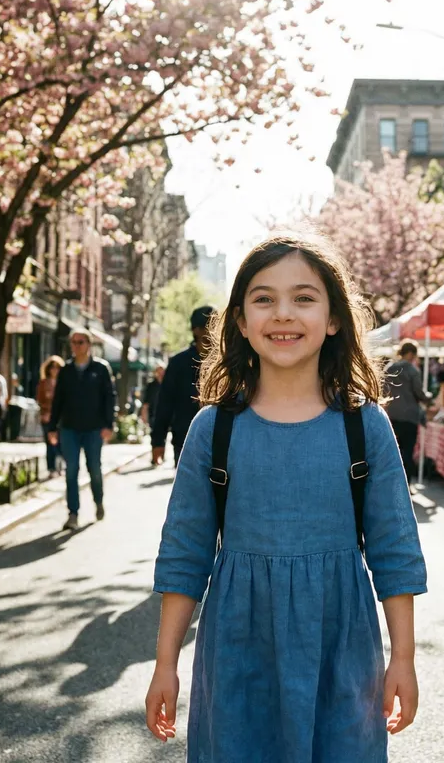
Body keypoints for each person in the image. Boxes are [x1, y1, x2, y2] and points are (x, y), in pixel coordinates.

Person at [145, 234, 427, 760]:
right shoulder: (213, 429)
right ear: (240, 320)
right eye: (263, 298)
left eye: (303, 297)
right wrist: (166, 663)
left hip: (341, 647)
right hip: (237, 649)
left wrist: (403, 657)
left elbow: (395, 550)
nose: (283, 314)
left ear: (334, 317)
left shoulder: (365, 426)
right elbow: (185, 551)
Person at [48, 329, 116, 531]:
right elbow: (57, 401)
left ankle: (98, 501)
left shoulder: (101, 369)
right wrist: (52, 428)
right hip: (70, 428)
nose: (77, 346)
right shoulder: (66, 371)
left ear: (89, 344)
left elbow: (109, 398)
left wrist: (108, 425)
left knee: (94, 468)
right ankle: (73, 513)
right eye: (74, 343)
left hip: (94, 429)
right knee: (71, 471)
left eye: (81, 342)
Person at [151, 306, 216, 467]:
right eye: (207, 327)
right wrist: (158, 441)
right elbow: (165, 403)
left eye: (215, 327)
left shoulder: (228, 360)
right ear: (196, 330)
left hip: (221, 439)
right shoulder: (178, 363)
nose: (211, 332)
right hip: (185, 440)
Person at [384, 342, 431, 488]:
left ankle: (390, 485)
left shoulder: (389, 368)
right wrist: (428, 399)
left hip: (390, 415)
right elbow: (419, 392)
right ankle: (406, 485)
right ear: (411, 353)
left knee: (391, 452)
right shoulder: (412, 370)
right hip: (409, 417)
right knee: (408, 453)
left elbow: (383, 390)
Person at [36, 355, 65, 477]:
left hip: (61, 418)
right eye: (52, 367)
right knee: (49, 442)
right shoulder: (43, 383)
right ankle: (51, 468)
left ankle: (60, 465)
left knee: (61, 442)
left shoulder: (64, 383)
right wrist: (45, 412)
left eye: (57, 367)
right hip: (47, 417)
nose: (55, 370)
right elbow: (40, 400)